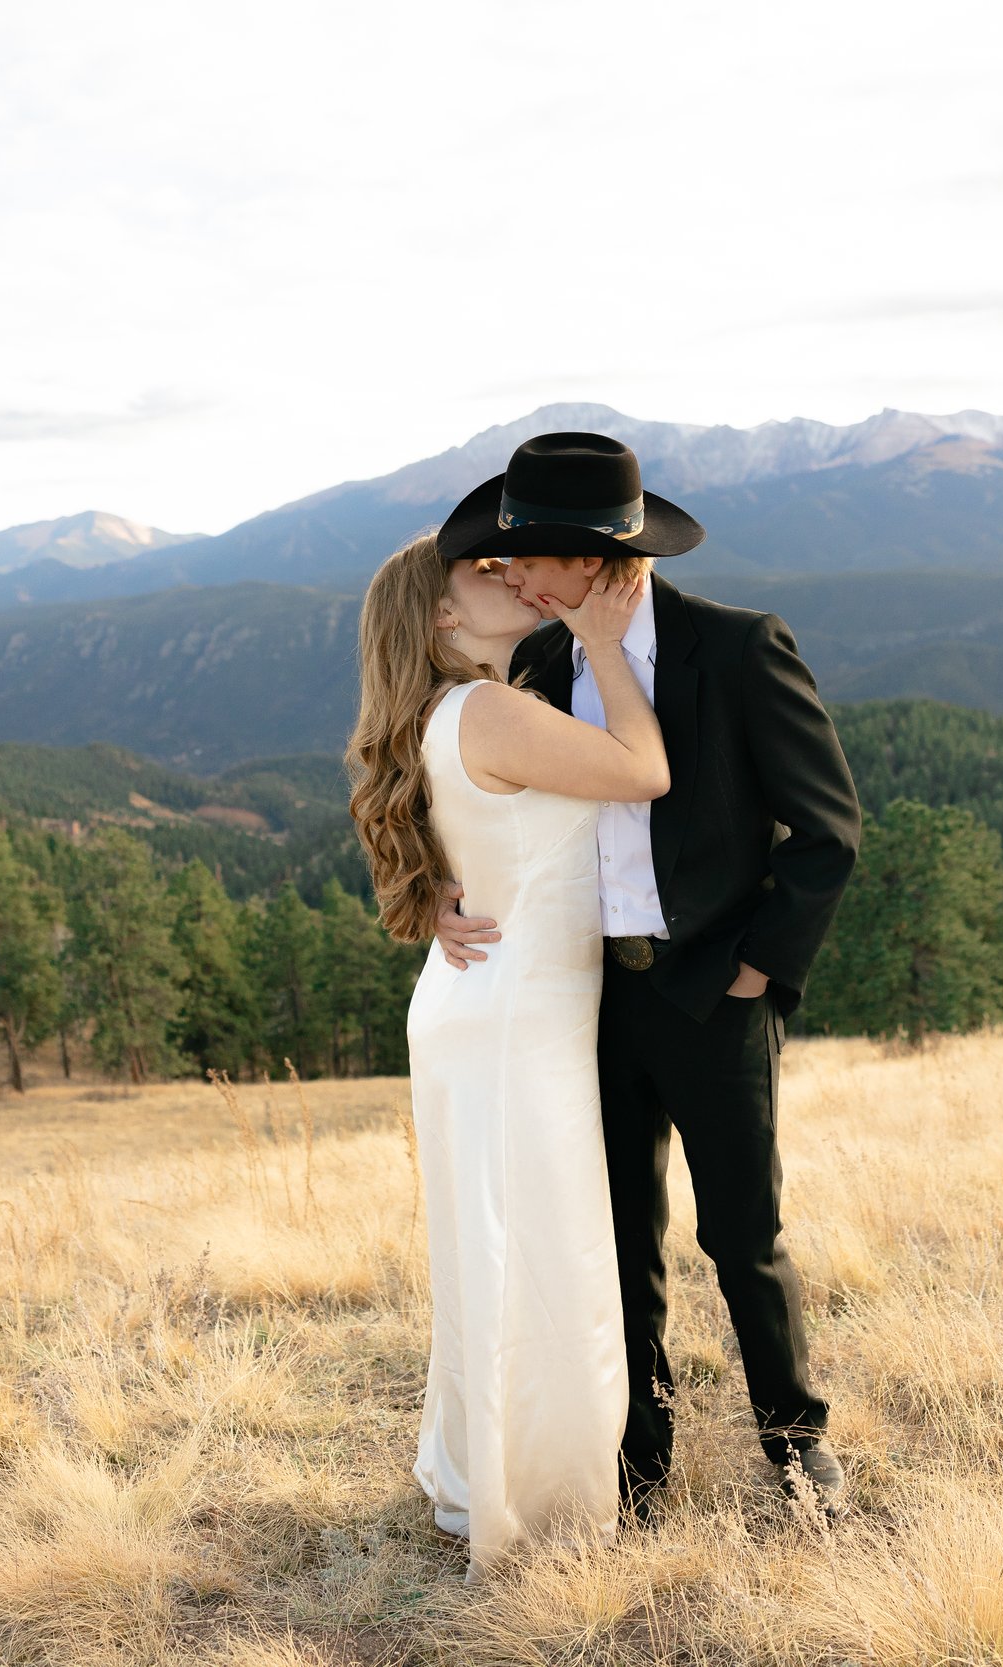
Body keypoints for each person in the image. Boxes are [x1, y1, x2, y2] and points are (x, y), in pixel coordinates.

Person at [430, 431, 863, 1522]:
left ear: (594, 559)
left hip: (714, 992)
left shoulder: (736, 647)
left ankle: (793, 1439)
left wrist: (757, 970)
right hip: (583, 999)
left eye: (527, 557)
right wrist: (443, 882)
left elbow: (826, 832)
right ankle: (640, 1458)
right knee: (615, 1238)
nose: (513, 576)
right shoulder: (537, 666)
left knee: (741, 1234)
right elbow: (485, 793)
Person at [345, 530, 667, 1567]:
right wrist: (606, 644)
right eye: (480, 575)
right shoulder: (485, 708)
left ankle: (488, 1470)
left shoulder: (449, 712)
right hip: (516, 1018)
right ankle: (542, 1499)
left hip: (479, 1002)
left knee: (493, 1251)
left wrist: (444, 887)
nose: (507, 577)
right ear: (439, 618)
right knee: (543, 1256)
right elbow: (642, 770)